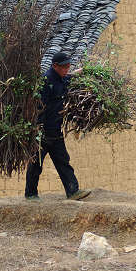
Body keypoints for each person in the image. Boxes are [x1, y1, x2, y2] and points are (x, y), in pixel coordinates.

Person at [25, 52, 91, 201]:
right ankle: (30, 194)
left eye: (68, 66)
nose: (67, 69)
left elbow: (68, 78)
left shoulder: (61, 78)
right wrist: (38, 130)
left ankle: (73, 192)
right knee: (36, 164)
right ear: (55, 66)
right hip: (42, 132)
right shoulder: (46, 82)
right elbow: (39, 107)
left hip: (55, 130)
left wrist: (81, 72)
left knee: (63, 162)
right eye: (64, 67)